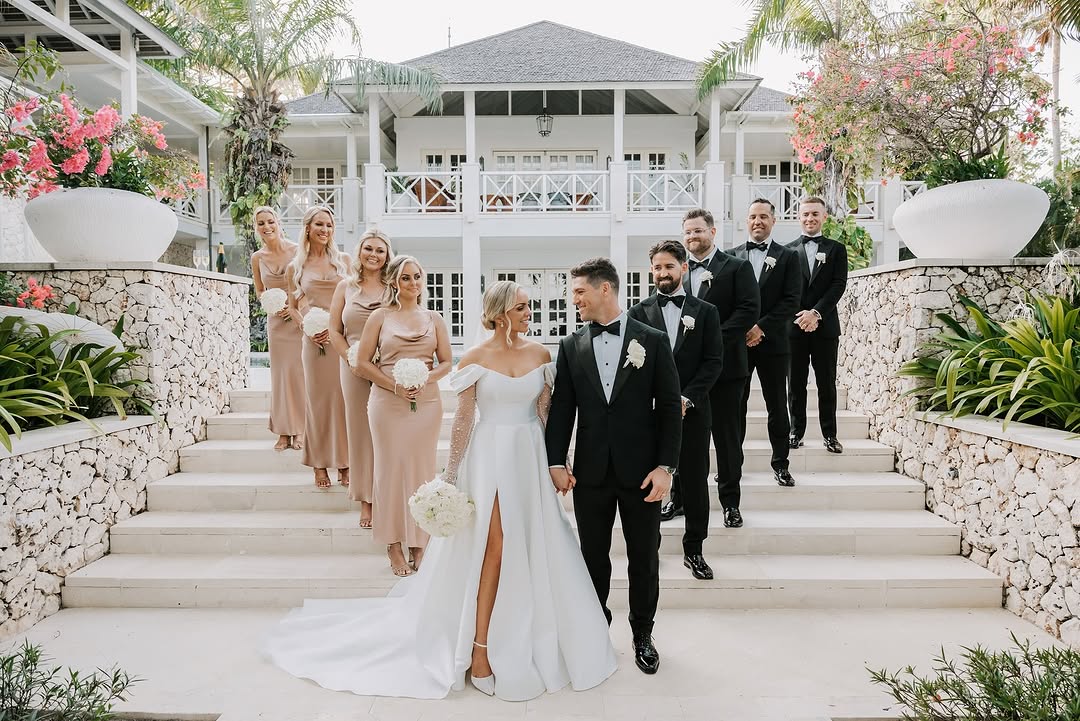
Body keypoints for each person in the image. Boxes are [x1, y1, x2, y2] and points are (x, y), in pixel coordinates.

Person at [264, 281, 617, 701]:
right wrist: (449, 478)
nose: (529, 314)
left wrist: (559, 462)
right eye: (522, 308)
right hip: (489, 459)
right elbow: (464, 419)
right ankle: (479, 649)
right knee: (495, 546)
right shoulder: (475, 358)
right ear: (501, 312)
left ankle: (533, 634)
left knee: (535, 543)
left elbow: (546, 413)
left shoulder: (540, 354)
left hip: (529, 457)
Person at [545, 257, 682, 675]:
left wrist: (666, 467)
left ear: (605, 288)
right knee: (592, 557)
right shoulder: (571, 345)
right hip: (590, 473)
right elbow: (563, 408)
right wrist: (555, 460)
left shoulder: (652, 340)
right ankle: (593, 630)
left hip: (642, 472)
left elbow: (669, 408)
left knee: (644, 557)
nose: (574, 301)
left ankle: (643, 634)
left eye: (579, 292)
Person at [628, 241, 724, 580]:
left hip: (693, 412)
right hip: (651, 415)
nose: (663, 273)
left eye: (669, 266)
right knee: (649, 481)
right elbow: (632, 366)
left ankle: (694, 550)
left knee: (695, 481)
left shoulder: (706, 311)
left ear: (684, 267)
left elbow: (714, 362)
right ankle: (648, 548)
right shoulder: (637, 313)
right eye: (657, 267)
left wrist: (686, 399)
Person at [353, 255, 451, 576]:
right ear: (394, 281)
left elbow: (447, 362)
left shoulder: (434, 319)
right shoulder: (380, 316)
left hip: (427, 403)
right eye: (406, 277)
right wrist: (394, 386)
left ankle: (419, 542)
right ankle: (393, 544)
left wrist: (425, 379)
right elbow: (362, 363)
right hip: (387, 402)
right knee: (389, 472)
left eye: (417, 276)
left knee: (422, 472)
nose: (413, 283)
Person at [680, 208, 759, 528]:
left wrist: (710, 338)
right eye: (688, 232)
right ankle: (680, 499)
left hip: (727, 370)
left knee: (727, 440)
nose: (692, 236)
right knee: (684, 442)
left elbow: (749, 309)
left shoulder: (737, 267)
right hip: (687, 376)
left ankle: (730, 503)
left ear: (712, 232)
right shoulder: (678, 271)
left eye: (698, 230)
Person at [730, 199, 803, 489]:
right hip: (738, 345)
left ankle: (781, 464)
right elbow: (727, 302)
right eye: (752, 217)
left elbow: (791, 300)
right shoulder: (731, 256)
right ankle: (732, 465)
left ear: (773, 220)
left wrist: (761, 327)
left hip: (774, 344)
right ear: (746, 221)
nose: (757, 221)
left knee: (777, 406)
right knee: (736, 406)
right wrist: (742, 330)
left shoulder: (789, 257)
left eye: (763, 216)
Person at [328, 229, 394, 529]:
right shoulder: (345, 287)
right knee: (360, 434)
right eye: (368, 248)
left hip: (387, 367)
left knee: (387, 432)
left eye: (380, 250)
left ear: (387, 256)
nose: (373, 255)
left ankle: (387, 495)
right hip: (353, 367)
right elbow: (334, 331)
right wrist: (351, 359)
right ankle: (366, 500)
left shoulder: (394, 286)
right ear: (359, 251)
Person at [286, 206, 350, 489]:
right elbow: (292, 307)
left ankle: (345, 463)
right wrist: (307, 328)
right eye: (319, 224)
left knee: (343, 401)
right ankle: (319, 465)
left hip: (341, 340)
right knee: (318, 403)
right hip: (314, 344)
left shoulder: (344, 261)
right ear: (308, 228)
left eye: (329, 225)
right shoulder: (295, 267)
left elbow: (353, 298)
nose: (325, 230)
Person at [786, 197, 848, 455]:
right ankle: (795, 432)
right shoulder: (787, 251)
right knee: (795, 384)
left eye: (815, 214)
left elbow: (838, 285)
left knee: (826, 383)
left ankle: (830, 435)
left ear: (824, 217)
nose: (809, 218)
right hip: (794, 328)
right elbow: (785, 291)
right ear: (799, 217)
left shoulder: (836, 249)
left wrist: (816, 313)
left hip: (826, 328)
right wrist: (802, 317)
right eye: (805, 214)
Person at [251, 206, 304, 452]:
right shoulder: (257, 258)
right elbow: (259, 289)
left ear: (278, 222)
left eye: (270, 221)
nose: (267, 227)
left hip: (298, 319)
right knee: (281, 377)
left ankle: (300, 429)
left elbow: (306, 284)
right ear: (256, 227)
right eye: (261, 223)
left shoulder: (297, 250)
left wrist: (293, 306)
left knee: (299, 375)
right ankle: (283, 431)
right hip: (276, 322)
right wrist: (270, 303)